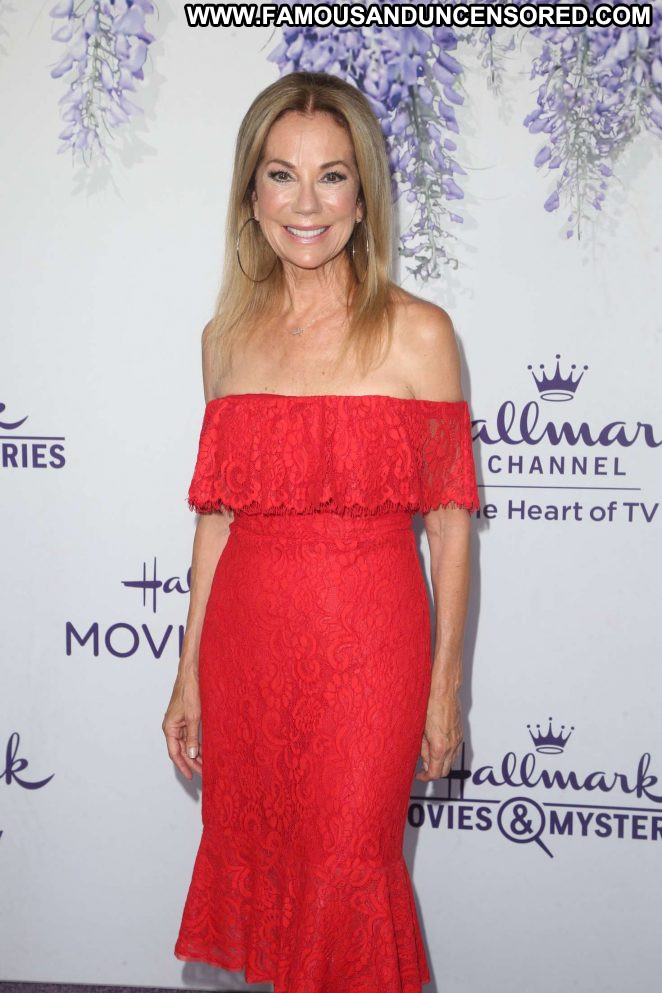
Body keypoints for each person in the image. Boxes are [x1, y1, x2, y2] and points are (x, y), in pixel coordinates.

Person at [163, 70, 480, 993]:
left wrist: (445, 688)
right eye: (282, 175)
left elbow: (450, 530)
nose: (307, 204)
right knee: (258, 874)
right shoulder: (225, 339)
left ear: (364, 195)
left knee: (350, 874)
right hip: (247, 650)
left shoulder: (421, 335)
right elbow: (216, 522)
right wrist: (188, 670)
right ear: (250, 196)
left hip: (369, 658)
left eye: (332, 176)